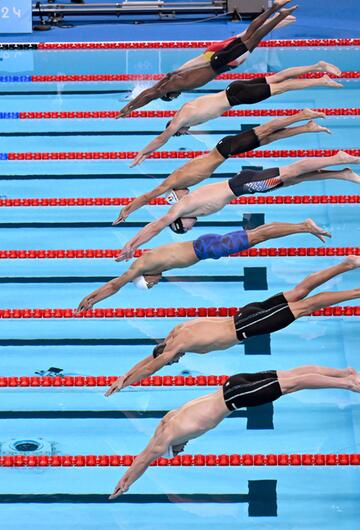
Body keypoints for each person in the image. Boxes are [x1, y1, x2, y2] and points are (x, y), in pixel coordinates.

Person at [105, 256, 360, 393]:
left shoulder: (178, 345)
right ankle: (345, 264)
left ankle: (356, 292)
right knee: (299, 292)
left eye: (172, 361)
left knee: (306, 306)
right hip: (245, 314)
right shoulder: (176, 332)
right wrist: (123, 376)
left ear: (168, 354)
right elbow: (150, 358)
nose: (175, 361)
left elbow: (151, 367)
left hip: (248, 325)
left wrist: (126, 383)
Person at [108, 364, 360, 497]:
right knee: (291, 376)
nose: (183, 450)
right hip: (232, 384)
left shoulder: (167, 439)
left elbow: (143, 459)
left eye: (179, 452)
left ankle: (347, 383)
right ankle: (345, 372)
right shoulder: (168, 421)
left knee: (294, 383)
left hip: (236, 396)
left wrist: (125, 482)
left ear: (171, 449)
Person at [116, 151, 359, 260]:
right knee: (293, 179)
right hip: (243, 186)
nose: (189, 229)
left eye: (184, 228)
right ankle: (342, 173)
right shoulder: (190, 208)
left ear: (179, 221)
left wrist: (132, 245)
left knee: (292, 171)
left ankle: (337, 158)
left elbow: (156, 226)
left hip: (245, 186)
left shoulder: (180, 209)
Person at [114, 109, 328, 222]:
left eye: (179, 198)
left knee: (265, 130)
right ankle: (306, 126)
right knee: (266, 138)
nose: (186, 196)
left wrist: (128, 209)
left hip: (224, 149)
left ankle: (303, 116)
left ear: (175, 193)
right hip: (225, 150)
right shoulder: (182, 183)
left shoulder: (173, 182)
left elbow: (148, 195)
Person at [76, 218, 330, 311]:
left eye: (150, 285)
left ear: (146, 278)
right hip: (205, 248)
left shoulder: (140, 267)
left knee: (258, 237)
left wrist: (91, 299)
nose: (154, 284)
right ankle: (301, 227)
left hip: (207, 248)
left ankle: (302, 227)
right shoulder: (149, 264)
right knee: (257, 236)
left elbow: (115, 285)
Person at [129, 62, 341, 166]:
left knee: (282, 87)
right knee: (278, 77)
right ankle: (317, 66)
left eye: (180, 132)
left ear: (175, 127)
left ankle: (320, 80)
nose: (185, 132)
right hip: (233, 88)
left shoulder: (181, 120)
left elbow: (160, 139)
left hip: (238, 97)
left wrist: (142, 153)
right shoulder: (185, 110)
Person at [116, 1, 297, 118]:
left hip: (223, 63)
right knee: (248, 34)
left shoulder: (172, 86)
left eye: (171, 98)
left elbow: (149, 95)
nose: (176, 96)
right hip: (215, 58)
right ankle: (275, 8)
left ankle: (279, 14)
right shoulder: (172, 77)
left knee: (255, 38)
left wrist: (129, 109)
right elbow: (152, 89)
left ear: (168, 94)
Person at [177, 13, 296, 71]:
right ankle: (279, 17)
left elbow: (183, 69)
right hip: (219, 56)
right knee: (251, 34)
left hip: (217, 54)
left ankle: (279, 17)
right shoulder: (183, 78)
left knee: (251, 33)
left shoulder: (181, 76)